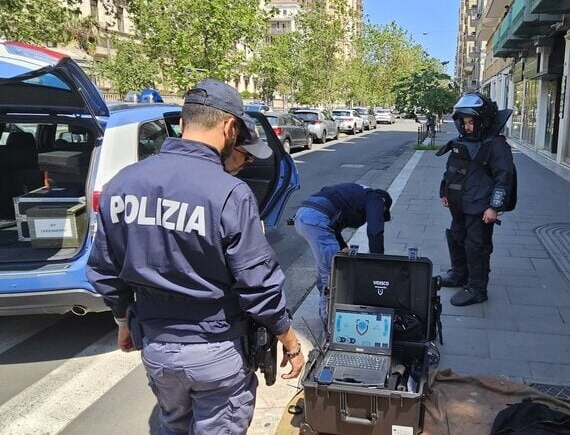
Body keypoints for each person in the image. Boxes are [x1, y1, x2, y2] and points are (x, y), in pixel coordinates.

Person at [87, 79, 304, 435]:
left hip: (156, 347)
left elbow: (105, 269)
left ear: (185, 121)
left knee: (171, 424)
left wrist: (124, 321)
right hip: (216, 352)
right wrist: (290, 342)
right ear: (230, 126)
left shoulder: (123, 183)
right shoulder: (230, 193)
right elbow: (258, 285)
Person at [436, 92, 516, 307]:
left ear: (483, 121)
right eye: (464, 122)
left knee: (476, 246)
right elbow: (452, 169)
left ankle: (477, 289)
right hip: (459, 205)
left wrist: (494, 207)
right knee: (456, 237)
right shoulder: (462, 142)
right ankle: (459, 275)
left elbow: (504, 178)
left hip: (479, 207)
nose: (467, 126)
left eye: (471, 122)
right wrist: (444, 191)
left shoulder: (496, 145)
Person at [294, 183, 392, 324]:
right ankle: (330, 324)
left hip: (305, 215)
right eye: (382, 212)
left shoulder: (357, 194)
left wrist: (342, 246)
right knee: (333, 274)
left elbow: (335, 222)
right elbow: (375, 231)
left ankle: (326, 311)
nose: (380, 215)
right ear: (384, 203)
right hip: (317, 219)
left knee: (326, 268)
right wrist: (377, 262)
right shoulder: (376, 198)